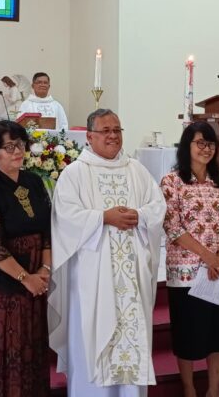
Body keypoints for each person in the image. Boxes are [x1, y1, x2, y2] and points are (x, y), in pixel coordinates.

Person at [49, 108, 167, 396]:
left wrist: (140, 216)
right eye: (105, 131)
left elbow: (158, 206)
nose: (113, 136)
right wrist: (103, 217)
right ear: (89, 137)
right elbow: (65, 216)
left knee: (131, 336)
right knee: (91, 338)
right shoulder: (75, 173)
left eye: (117, 130)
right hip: (92, 275)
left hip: (132, 275)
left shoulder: (136, 170)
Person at [0, 119, 52, 396]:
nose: (18, 151)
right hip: (2, 292)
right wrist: (26, 278)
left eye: (21, 145)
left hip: (35, 285)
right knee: (6, 355)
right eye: (10, 147)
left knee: (31, 353)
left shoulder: (34, 183)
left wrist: (45, 269)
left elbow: (48, 230)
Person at [160, 122, 219, 397]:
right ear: (187, 146)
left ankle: (214, 390)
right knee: (188, 334)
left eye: (210, 143)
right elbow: (173, 227)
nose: (206, 149)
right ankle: (189, 389)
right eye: (200, 143)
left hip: (217, 271)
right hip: (186, 273)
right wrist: (208, 258)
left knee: (218, 335)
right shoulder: (172, 182)